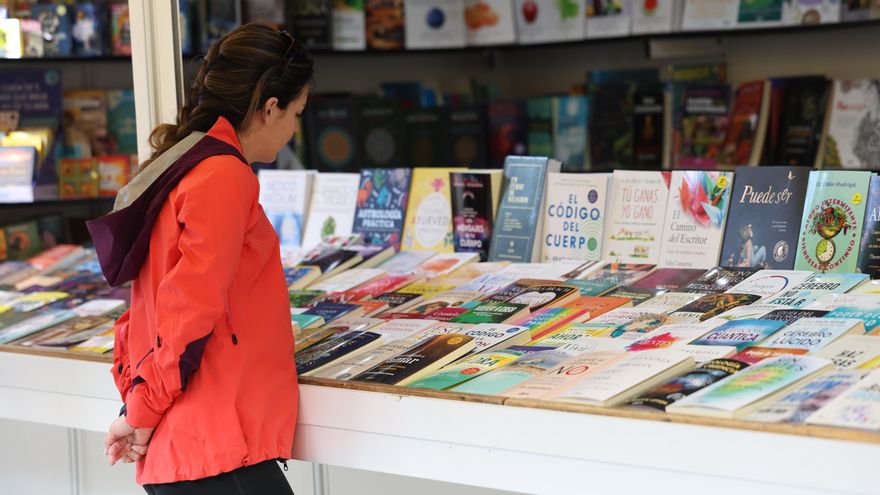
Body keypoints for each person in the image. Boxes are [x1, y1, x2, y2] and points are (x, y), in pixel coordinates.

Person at [94, 23, 313, 495]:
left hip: (195, 443)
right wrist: (142, 410)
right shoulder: (222, 175)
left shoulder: (186, 162)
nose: (295, 128)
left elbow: (151, 302)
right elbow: (188, 307)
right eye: (297, 112)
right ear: (269, 108)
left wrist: (137, 409)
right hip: (214, 449)